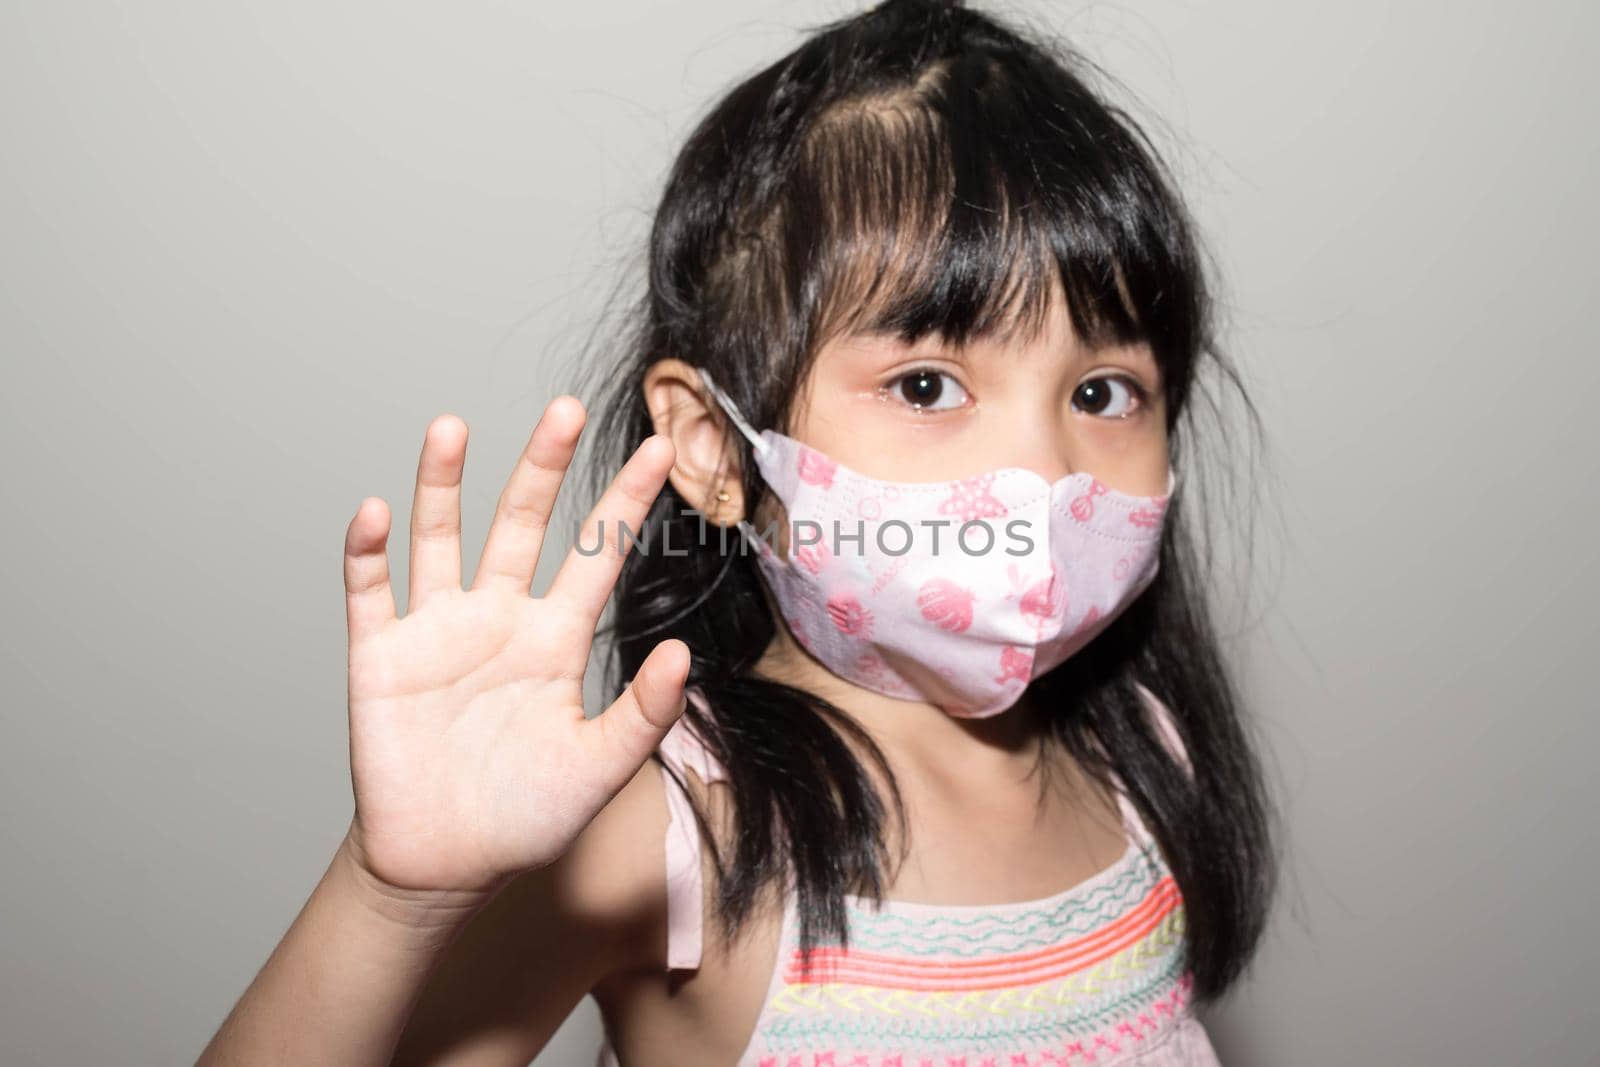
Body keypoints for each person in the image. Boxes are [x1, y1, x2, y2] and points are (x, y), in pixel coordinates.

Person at [199, 1, 1277, 1063]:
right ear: (714, 449)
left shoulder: (1141, 756)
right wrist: (391, 896)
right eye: (926, 381)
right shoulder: (682, 829)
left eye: (1101, 393)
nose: (1045, 471)